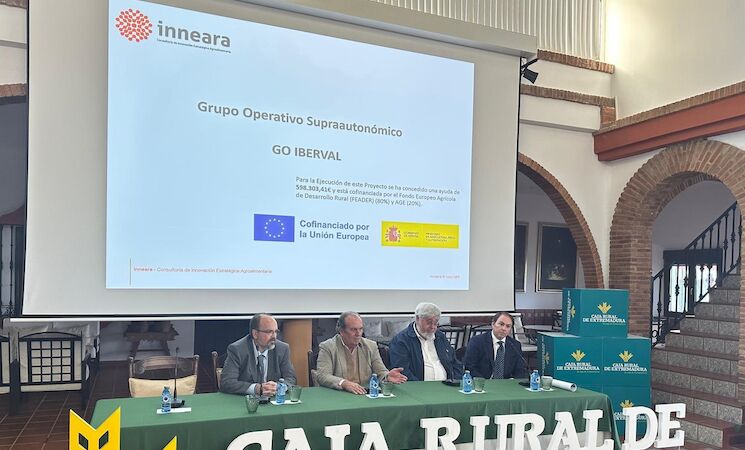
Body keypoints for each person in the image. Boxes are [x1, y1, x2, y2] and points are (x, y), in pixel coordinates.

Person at [316, 311, 407, 394]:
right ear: (341, 331)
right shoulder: (327, 347)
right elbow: (323, 376)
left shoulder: (371, 346)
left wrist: (387, 376)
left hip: (364, 393)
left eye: (360, 329)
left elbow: (380, 372)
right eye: (353, 329)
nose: (358, 333)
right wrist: (344, 383)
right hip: (339, 394)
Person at [220, 313, 297, 396]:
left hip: (273, 400)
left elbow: (291, 379)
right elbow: (227, 382)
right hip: (244, 400)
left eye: (276, 332)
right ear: (255, 334)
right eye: (269, 332)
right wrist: (256, 388)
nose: (274, 336)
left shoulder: (282, 349)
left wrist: (278, 386)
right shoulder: (238, 350)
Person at [388, 302, 463, 381]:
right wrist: (421, 386)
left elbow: (455, 363)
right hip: (418, 386)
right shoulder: (401, 340)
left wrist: (456, 381)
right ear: (417, 319)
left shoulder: (440, 337)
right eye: (429, 322)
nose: (433, 327)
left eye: (436, 323)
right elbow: (403, 372)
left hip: (447, 385)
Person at [464, 312, 528, 379]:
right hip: (483, 382)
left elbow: (520, 370)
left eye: (508, 326)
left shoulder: (515, 345)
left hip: (506, 384)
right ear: (493, 324)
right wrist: (482, 382)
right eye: (501, 324)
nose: (504, 329)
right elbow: (470, 367)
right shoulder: (477, 341)